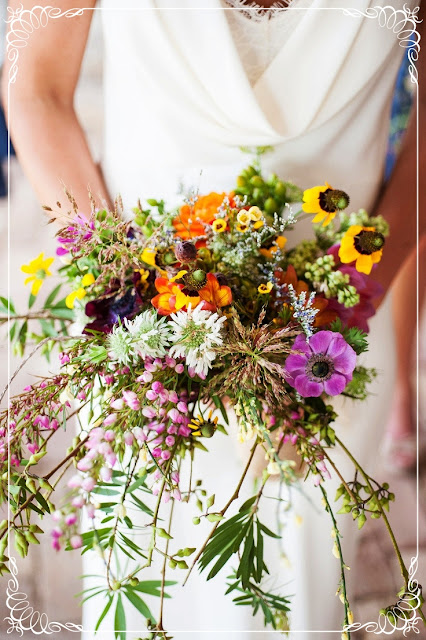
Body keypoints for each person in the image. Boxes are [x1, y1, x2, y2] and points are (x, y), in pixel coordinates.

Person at [3, 1, 425, 638]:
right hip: (144, 344)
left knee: (292, 592)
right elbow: (36, 86)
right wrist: (129, 289)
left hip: (326, 344)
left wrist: (355, 295)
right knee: (145, 582)